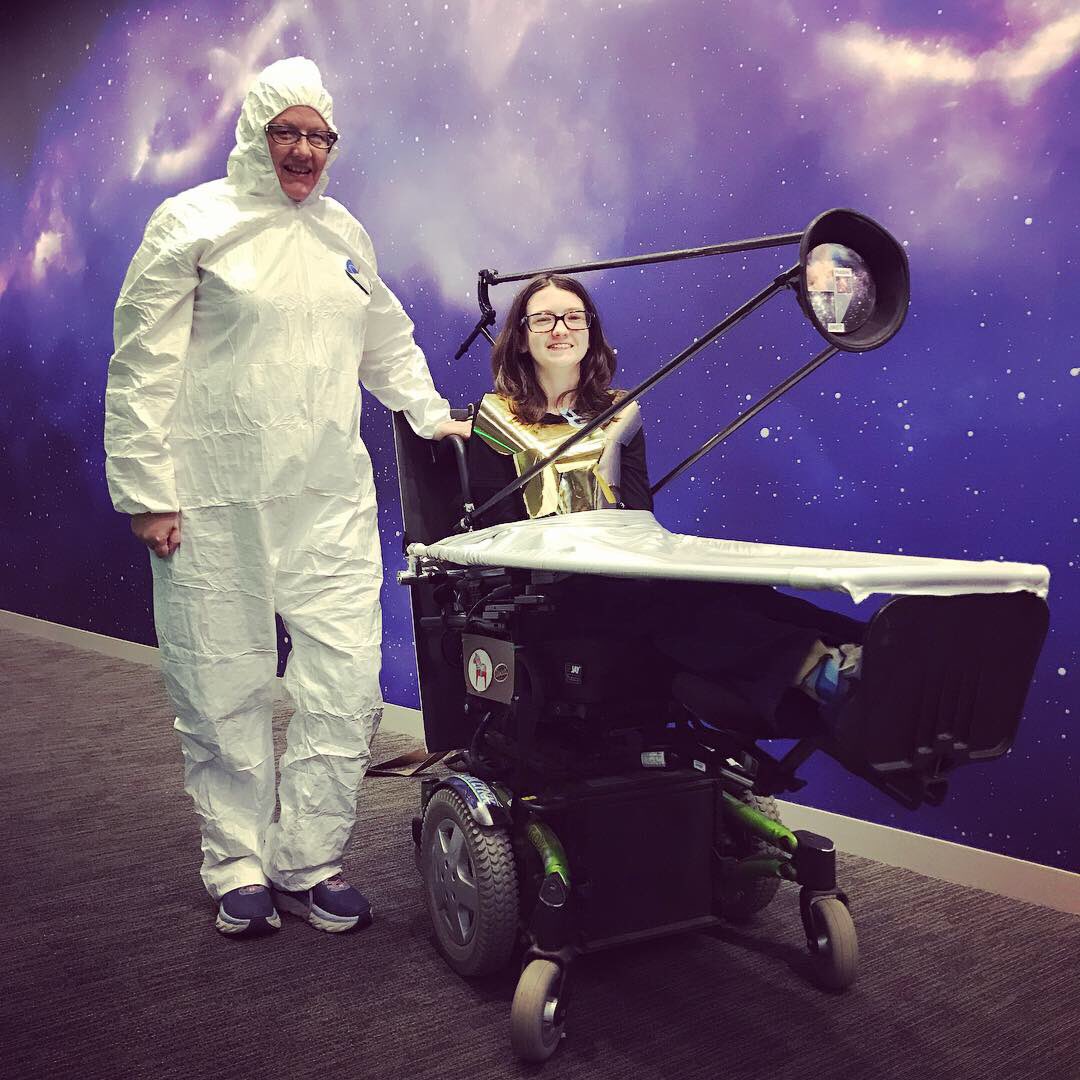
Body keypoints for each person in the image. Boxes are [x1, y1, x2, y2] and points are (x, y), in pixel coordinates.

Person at [104, 57, 470, 937]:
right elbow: (143, 362)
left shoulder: (344, 234)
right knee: (222, 679)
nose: (304, 151)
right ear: (254, 134)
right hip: (214, 496)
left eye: (319, 136)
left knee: (345, 681)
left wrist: (429, 413)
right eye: (287, 133)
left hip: (326, 497)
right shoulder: (194, 222)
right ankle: (237, 861)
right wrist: (146, 490)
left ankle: (309, 858)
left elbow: (385, 339)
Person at [465, 274, 863, 730]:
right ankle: (820, 669)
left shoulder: (620, 411)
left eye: (574, 317)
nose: (561, 329)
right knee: (669, 601)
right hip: (549, 591)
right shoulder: (497, 417)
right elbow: (499, 533)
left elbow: (638, 514)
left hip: (623, 567)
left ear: (590, 330)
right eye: (543, 319)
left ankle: (870, 648)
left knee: (727, 587)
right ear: (520, 337)